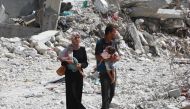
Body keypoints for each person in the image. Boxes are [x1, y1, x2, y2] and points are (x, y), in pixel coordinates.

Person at [58, 32, 88, 109]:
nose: (77, 38)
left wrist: (81, 65)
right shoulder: (67, 50)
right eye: (75, 37)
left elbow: (86, 63)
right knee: (71, 96)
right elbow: (63, 63)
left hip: (79, 75)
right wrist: (68, 61)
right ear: (72, 39)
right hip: (70, 76)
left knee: (78, 95)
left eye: (78, 37)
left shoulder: (82, 49)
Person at [95, 23, 120, 109]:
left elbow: (118, 55)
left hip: (113, 70)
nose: (115, 34)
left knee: (112, 93)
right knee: (105, 95)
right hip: (103, 71)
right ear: (109, 33)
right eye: (114, 32)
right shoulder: (100, 43)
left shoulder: (114, 43)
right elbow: (97, 56)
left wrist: (116, 58)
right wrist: (107, 59)